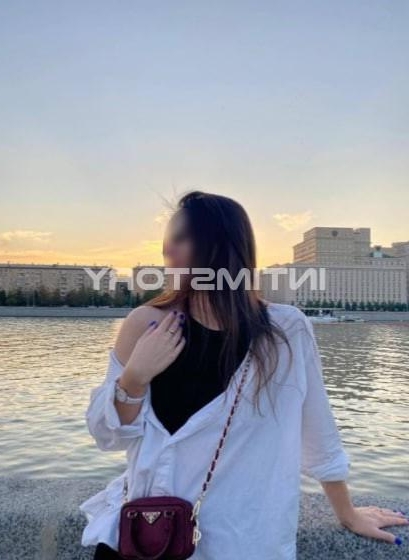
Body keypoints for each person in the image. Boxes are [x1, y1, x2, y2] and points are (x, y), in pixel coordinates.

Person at [80, 191, 408, 559]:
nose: (166, 250)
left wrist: (347, 513)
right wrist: (134, 379)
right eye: (167, 240)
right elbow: (107, 436)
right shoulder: (146, 323)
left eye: (180, 238)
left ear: (219, 246)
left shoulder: (285, 330)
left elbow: (317, 429)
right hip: (146, 537)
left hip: (241, 539)